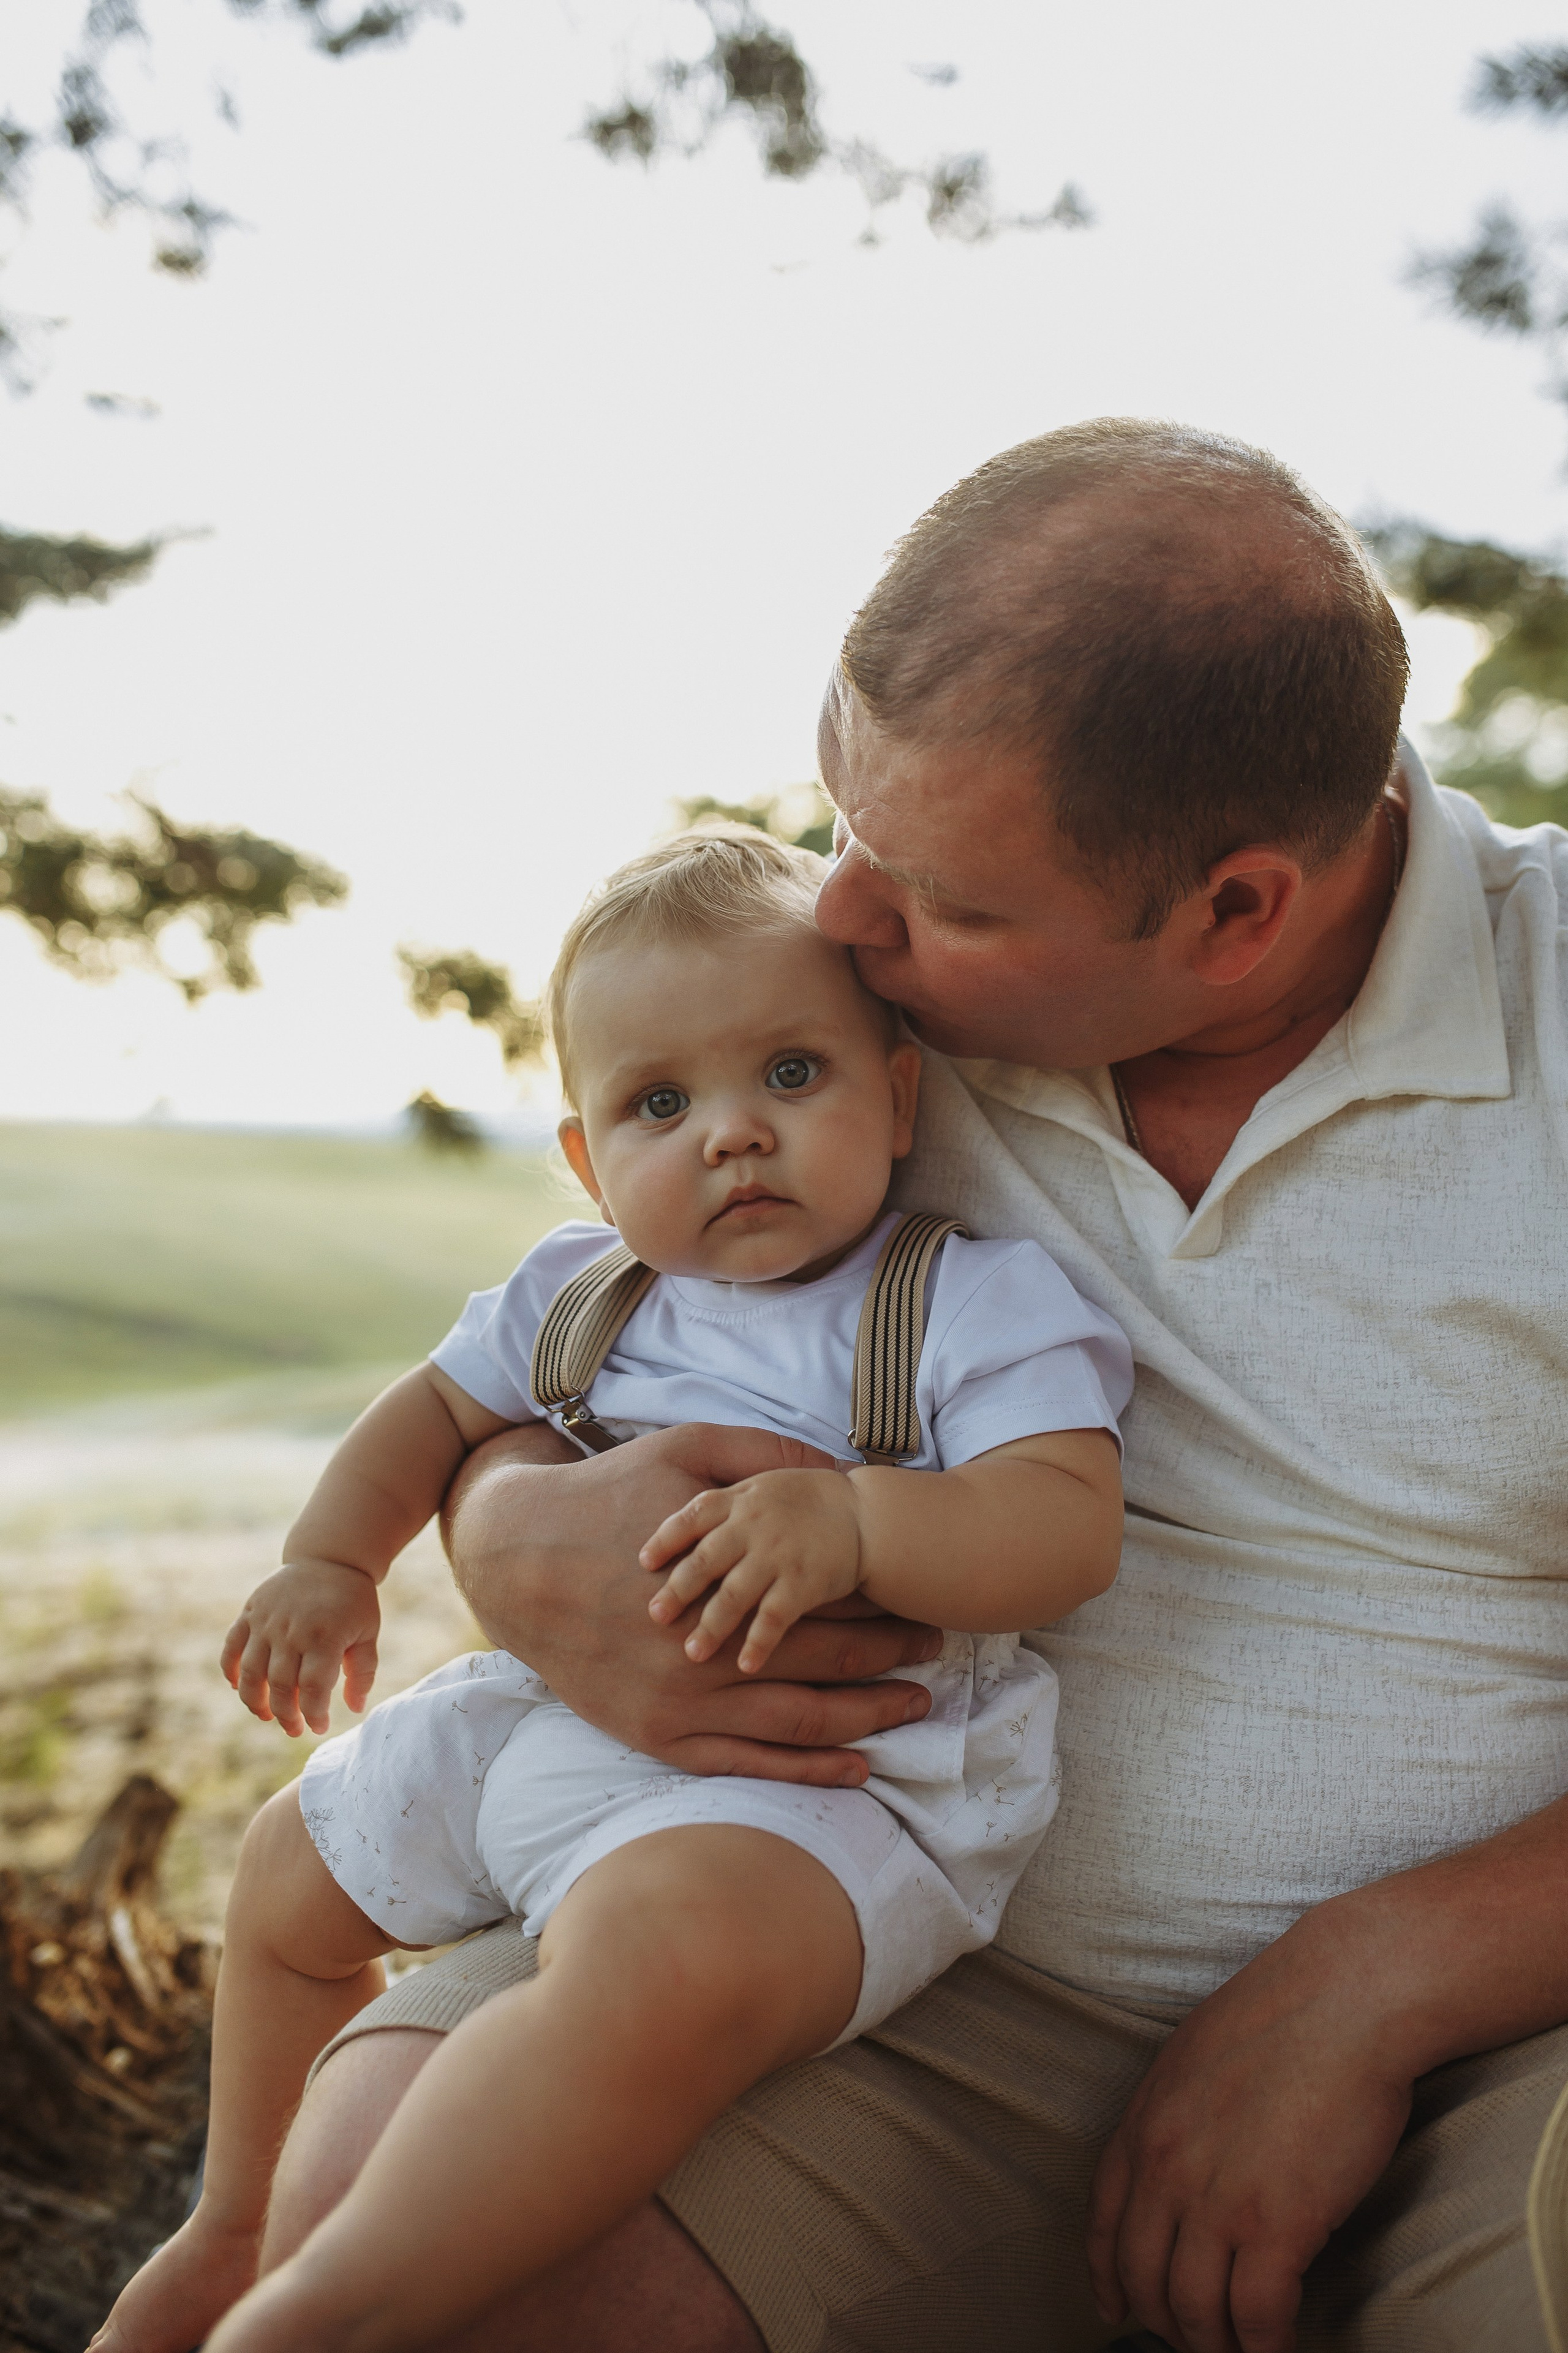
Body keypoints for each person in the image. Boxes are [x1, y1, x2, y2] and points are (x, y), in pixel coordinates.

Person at [209, 418, 1568, 2353]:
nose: (841, 920)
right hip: (884, 1931)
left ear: (1235, 913)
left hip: (1504, 2034)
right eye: (843, 818)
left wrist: (1380, 1976)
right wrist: (515, 1539)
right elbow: (580, 1331)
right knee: (403, 2228)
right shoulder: (855, 1026)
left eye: (929, 895)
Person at [95, 828, 1130, 2353]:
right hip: (547, 1707)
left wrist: (856, 1524)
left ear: (898, 1092)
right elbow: (427, 1416)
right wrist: (332, 1556)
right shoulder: (578, 1294)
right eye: (662, 1103)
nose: (732, 1135)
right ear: (585, 1157)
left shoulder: (957, 1300)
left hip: (823, 1782)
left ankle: (325, 2310)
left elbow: (1061, 1525)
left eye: (791, 1073)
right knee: (285, 1871)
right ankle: (234, 2220)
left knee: (652, 1967)